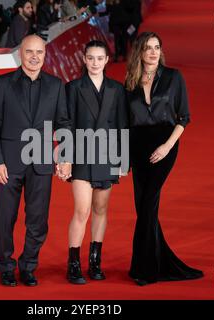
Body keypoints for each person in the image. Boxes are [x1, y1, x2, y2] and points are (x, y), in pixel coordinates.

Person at [0, 35, 72, 287]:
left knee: (38, 219)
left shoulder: (56, 85)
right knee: (4, 218)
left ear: (46, 54)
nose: (35, 57)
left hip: (42, 162)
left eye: (40, 52)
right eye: (29, 51)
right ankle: (5, 266)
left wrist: (65, 156)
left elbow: (63, 123)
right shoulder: (2, 83)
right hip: (9, 163)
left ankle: (28, 266)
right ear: (20, 53)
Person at [124, 31, 204, 285]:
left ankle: (144, 270)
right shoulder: (130, 82)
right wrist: (123, 158)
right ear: (140, 52)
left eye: (157, 47)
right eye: (148, 48)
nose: (153, 52)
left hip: (164, 145)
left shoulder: (173, 77)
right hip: (137, 147)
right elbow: (125, 123)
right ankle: (159, 262)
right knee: (144, 208)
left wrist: (168, 146)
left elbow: (184, 118)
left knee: (148, 204)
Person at [65, 40, 128, 284]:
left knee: (101, 210)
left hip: (107, 155)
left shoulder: (116, 89)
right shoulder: (72, 88)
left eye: (99, 58)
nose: (94, 63)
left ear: (106, 60)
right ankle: (73, 264)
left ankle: (94, 261)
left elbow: (122, 124)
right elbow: (66, 125)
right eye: (90, 58)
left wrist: (122, 160)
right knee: (81, 210)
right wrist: (65, 157)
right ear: (83, 59)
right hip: (81, 155)